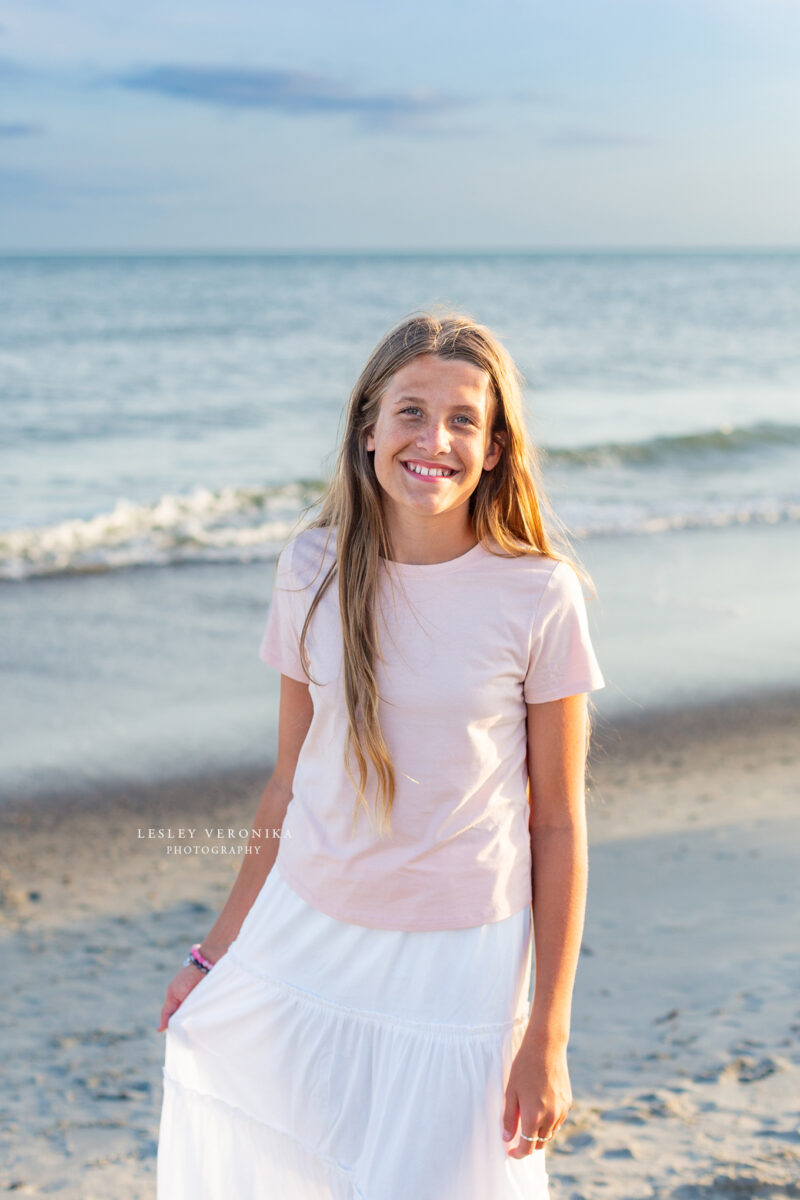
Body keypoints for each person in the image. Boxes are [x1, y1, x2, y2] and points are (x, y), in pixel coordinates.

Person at [156, 311, 606, 1199]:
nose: (433, 439)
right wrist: (215, 954)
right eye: (410, 411)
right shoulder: (309, 568)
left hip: (462, 959)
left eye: (462, 420)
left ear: (493, 446)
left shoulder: (539, 594)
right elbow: (288, 785)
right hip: (309, 933)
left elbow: (557, 823)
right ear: (368, 427)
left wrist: (546, 1034)